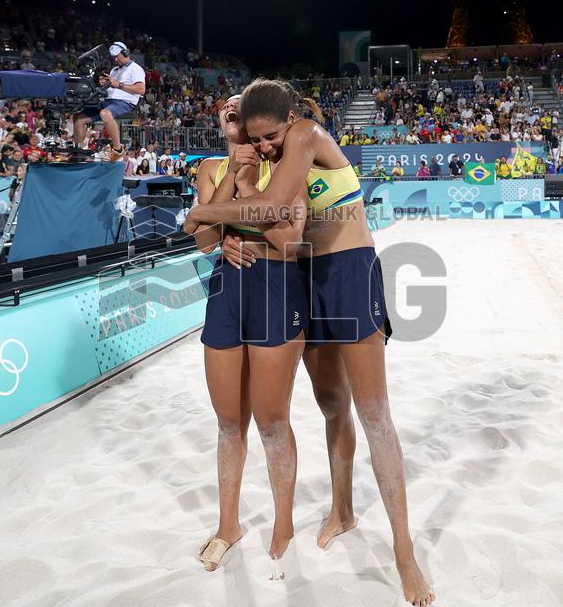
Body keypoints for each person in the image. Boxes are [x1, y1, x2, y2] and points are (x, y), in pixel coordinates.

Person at [184, 79, 434, 606]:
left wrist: (205, 215)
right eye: (261, 138)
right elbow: (259, 212)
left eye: (269, 135)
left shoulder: (304, 133)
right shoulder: (264, 154)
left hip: (347, 269)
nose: (269, 145)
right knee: (331, 405)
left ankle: (405, 551)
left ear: (289, 118)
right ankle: (342, 508)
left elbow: (271, 207)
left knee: (374, 413)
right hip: (305, 277)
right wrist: (226, 231)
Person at [188, 94, 309, 571]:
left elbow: (288, 240)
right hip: (227, 290)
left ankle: (284, 518)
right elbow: (201, 240)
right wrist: (232, 189)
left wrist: (234, 211)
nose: (235, 118)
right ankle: (228, 524)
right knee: (227, 422)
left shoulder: (284, 163)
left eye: (243, 111)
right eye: (228, 113)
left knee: (272, 420)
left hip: (277, 287)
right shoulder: (210, 168)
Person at [72, 43, 146, 159]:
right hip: (108, 102)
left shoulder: (135, 68)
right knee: (78, 118)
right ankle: (78, 152)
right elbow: (111, 86)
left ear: (125, 53)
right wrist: (104, 84)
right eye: (114, 57)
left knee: (105, 114)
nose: (115, 59)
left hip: (125, 103)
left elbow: (141, 90)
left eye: (117, 56)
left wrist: (119, 85)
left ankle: (118, 149)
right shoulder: (114, 70)